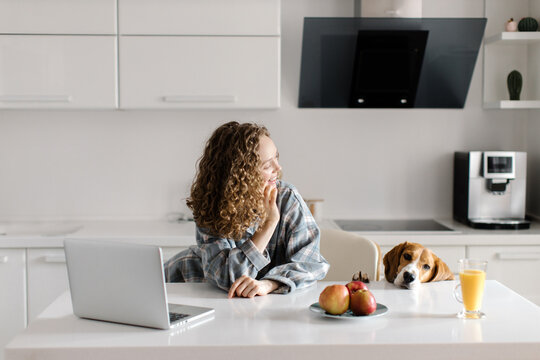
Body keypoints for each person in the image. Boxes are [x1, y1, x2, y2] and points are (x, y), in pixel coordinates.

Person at [164, 121, 329, 298]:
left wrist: (270, 284)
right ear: (242, 175)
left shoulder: (288, 198)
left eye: (277, 158)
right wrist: (269, 223)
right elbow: (230, 279)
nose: (278, 168)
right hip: (181, 282)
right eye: (267, 165)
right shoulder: (212, 204)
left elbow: (311, 264)